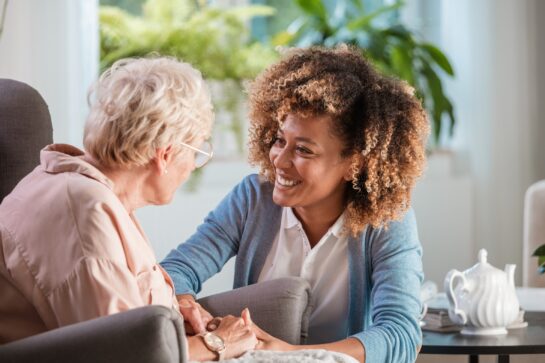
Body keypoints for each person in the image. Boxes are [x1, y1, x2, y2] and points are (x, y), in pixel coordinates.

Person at [161, 46, 429, 363]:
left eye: (303, 150)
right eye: (279, 140)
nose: (280, 160)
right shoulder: (251, 199)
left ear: (354, 164)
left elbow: (401, 335)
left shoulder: (387, 221)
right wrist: (191, 309)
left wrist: (293, 355)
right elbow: (175, 271)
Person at [0, 57, 258, 361]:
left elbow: (123, 315)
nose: (192, 167)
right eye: (197, 151)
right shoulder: (85, 212)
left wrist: (171, 313)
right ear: (165, 154)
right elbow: (122, 352)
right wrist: (216, 343)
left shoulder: (75, 187)